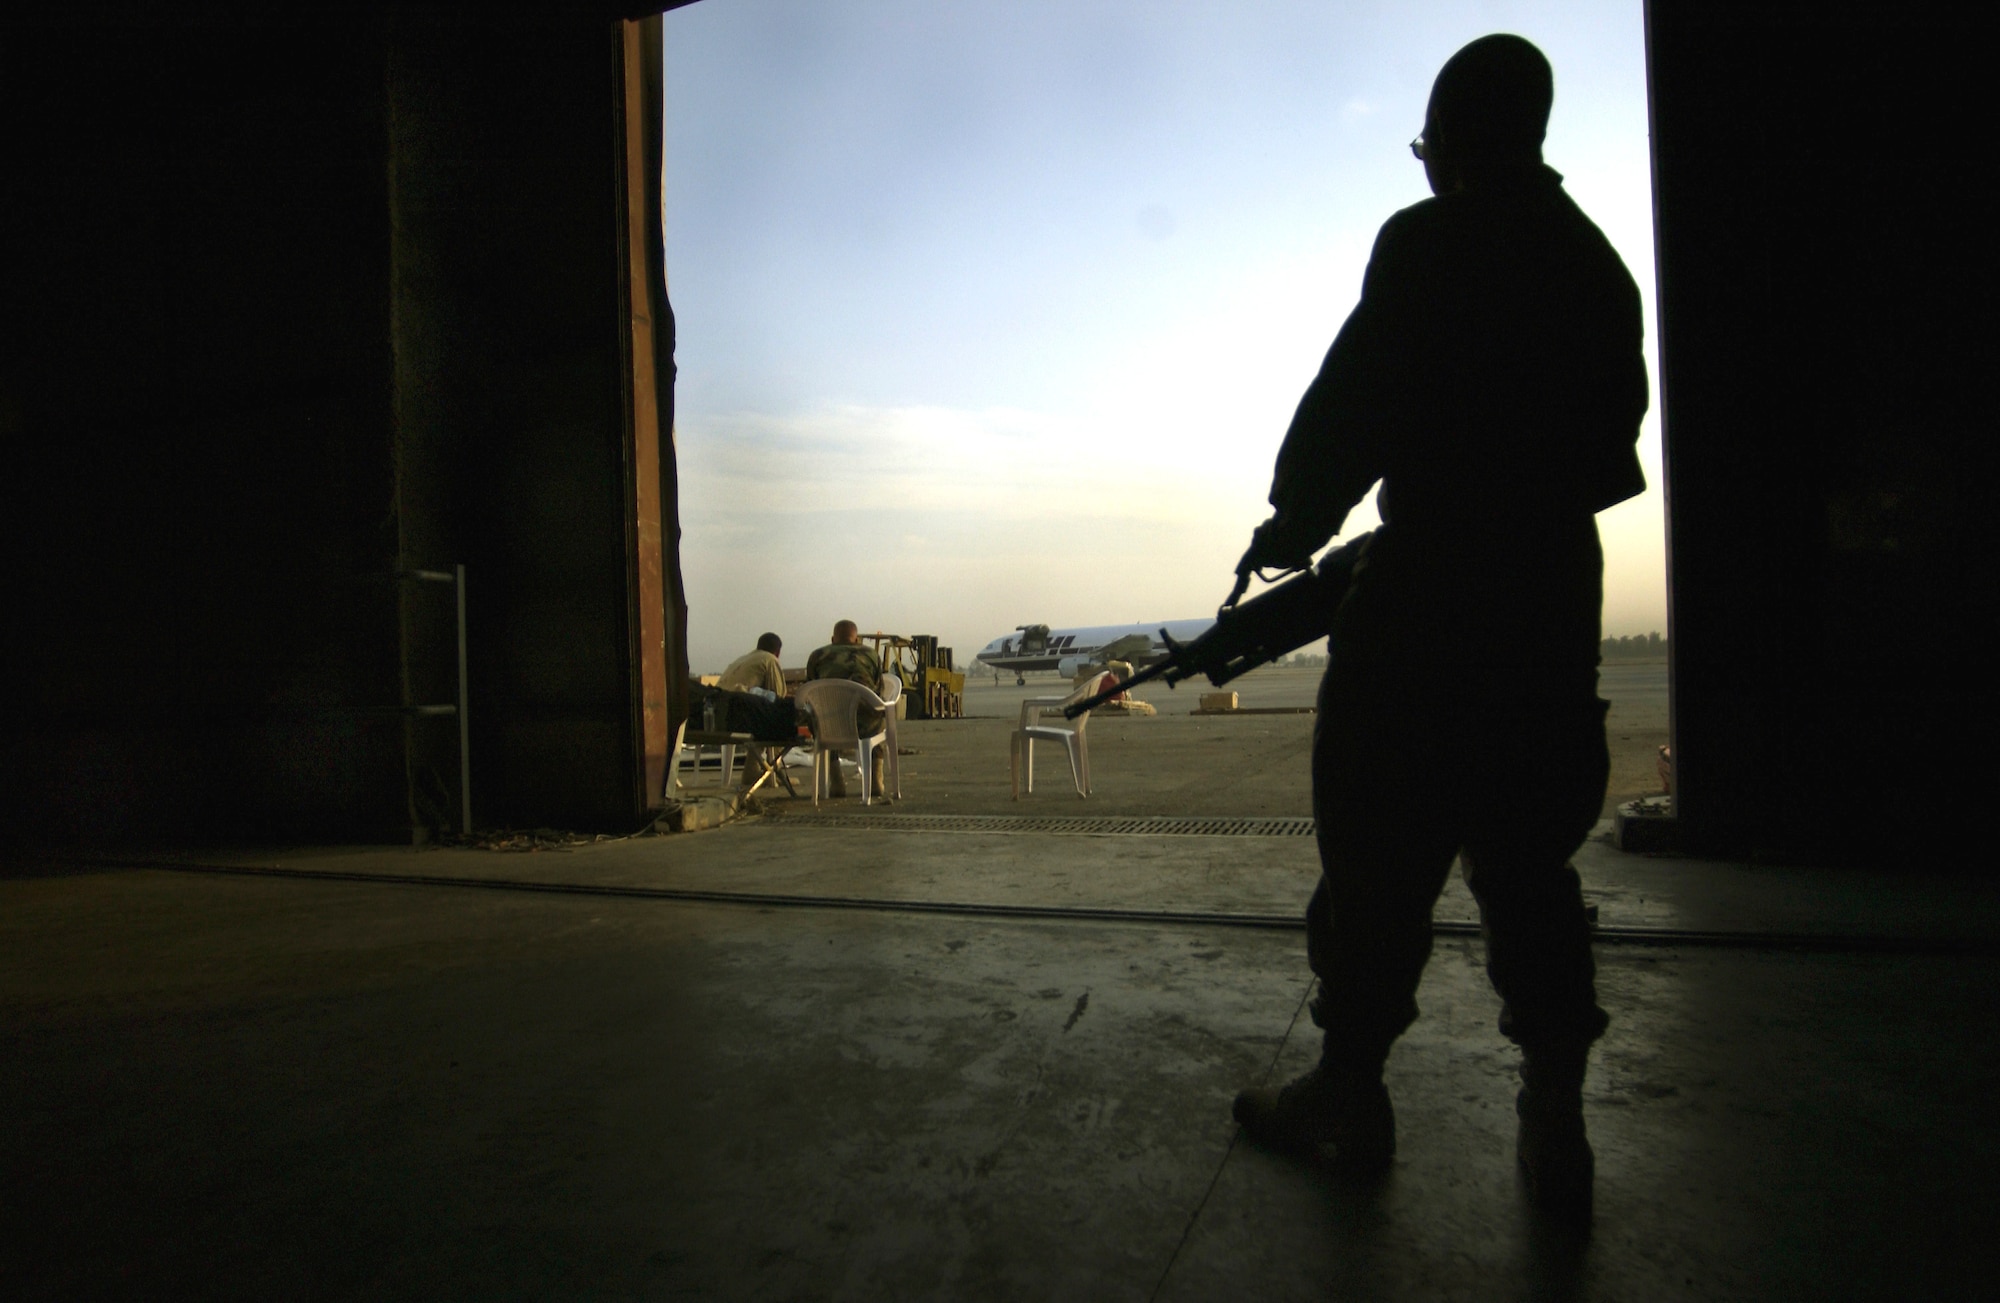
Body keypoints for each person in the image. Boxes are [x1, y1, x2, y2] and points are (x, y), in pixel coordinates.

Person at [1227, 34, 1648, 1223]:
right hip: (1550, 595)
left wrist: (1292, 522)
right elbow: (1606, 447)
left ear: (1448, 139)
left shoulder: (1428, 240)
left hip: (1428, 594)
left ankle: (1350, 1096)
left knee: (1375, 855)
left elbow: (1354, 395)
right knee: (1528, 861)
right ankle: (1553, 1119)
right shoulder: (1594, 267)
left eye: (1424, 147)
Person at [804, 620, 888, 800]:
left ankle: (836, 782)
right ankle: (875, 781)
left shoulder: (817, 656)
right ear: (856, 639)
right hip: (865, 726)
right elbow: (879, 693)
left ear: (833, 639)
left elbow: (809, 691)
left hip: (829, 724)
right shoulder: (871, 654)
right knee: (879, 717)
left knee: (820, 718)